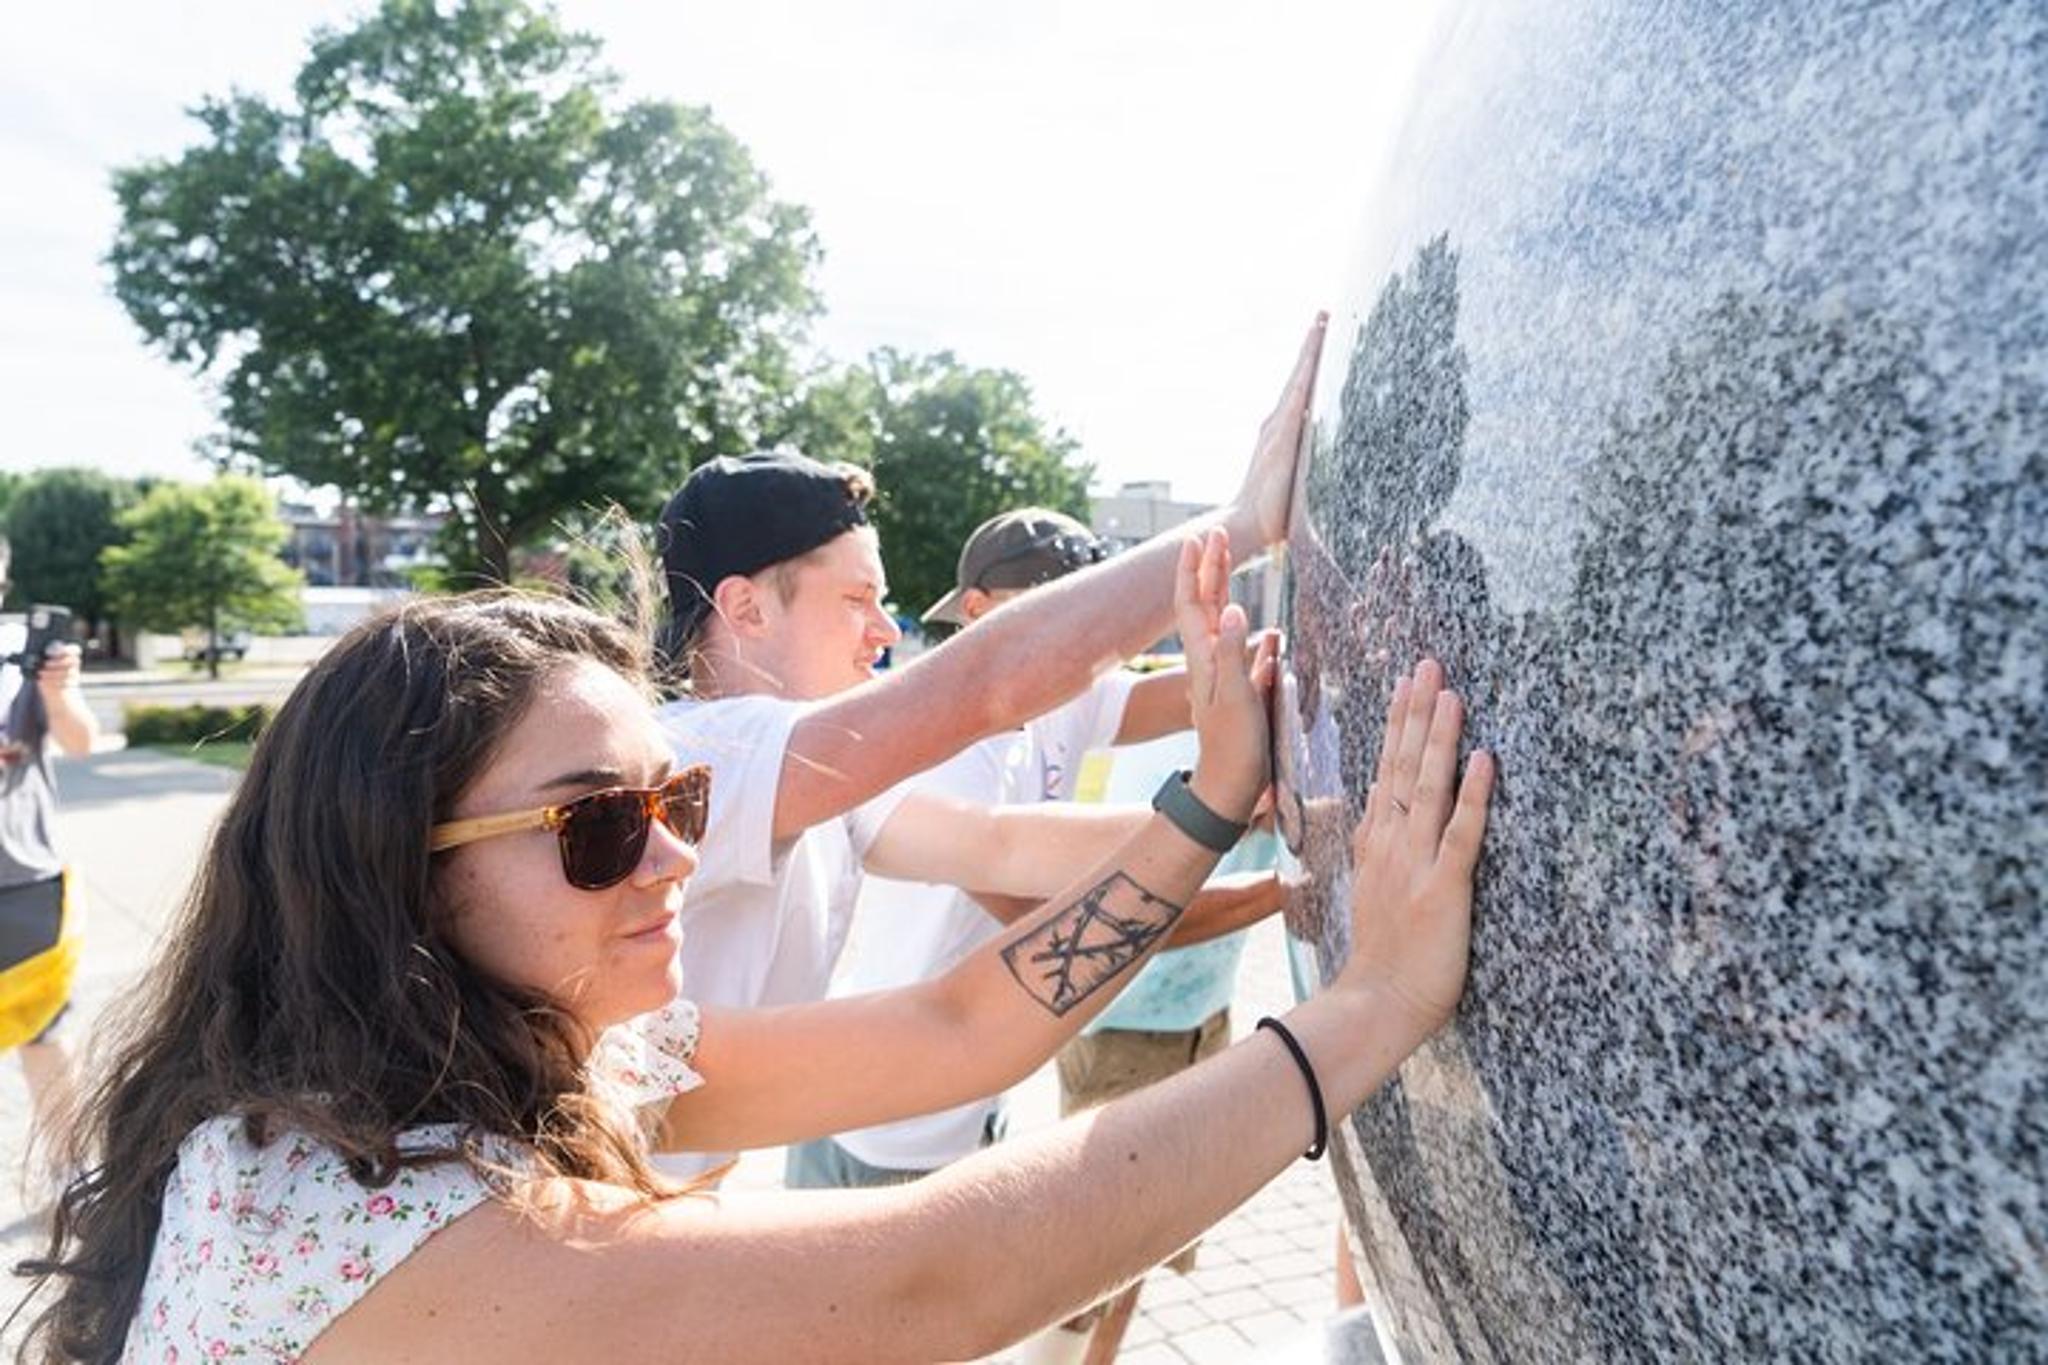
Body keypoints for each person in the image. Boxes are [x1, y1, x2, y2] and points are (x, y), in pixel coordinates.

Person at [17, 534, 1493, 1363]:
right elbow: (947, 1277)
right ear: (393, 882)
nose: (670, 856)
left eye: (678, 799)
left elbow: (949, 1033)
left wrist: (1211, 796)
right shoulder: (406, 1220)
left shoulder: (498, 1054)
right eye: (598, 824)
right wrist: (1373, 1005)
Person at [650, 320, 1325, 1171]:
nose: (885, 632)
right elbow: (990, 685)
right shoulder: (689, 754)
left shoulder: (815, 784)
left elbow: (1004, 844)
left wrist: (1258, 814)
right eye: (857, 599)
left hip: (698, 1185)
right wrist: (1242, 521)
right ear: (745, 608)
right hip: (617, 1223)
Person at [784, 509, 1278, 1191]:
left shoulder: (1068, 698)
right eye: (1051, 616)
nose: (1076, 643)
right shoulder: (938, 748)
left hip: (966, 1102)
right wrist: (1280, 882)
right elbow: (1064, 925)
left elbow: (1220, 682)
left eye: (1092, 619)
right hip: (882, 1123)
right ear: (977, 610)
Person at [0, 538, 100, 1153]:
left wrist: (59, 695)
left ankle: (74, 1179)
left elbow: (83, 741)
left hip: (23, 875)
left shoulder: (26, 656)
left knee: (45, 1033)